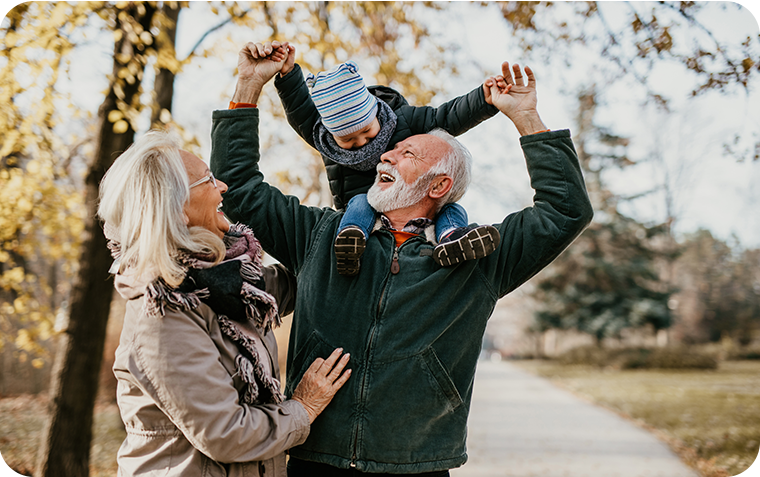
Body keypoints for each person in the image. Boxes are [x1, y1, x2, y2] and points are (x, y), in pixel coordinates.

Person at [211, 41, 594, 476]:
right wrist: (248, 85)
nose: (384, 154)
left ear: (438, 186)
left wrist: (526, 118)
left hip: (418, 464)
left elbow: (566, 211)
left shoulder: (478, 257)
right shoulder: (320, 235)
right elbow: (239, 189)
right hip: (315, 456)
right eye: (392, 150)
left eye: (407, 153)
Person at [97, 130, 352, 477]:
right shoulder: (163, 311)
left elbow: (296, 279)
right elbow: (227, 433)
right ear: (177, 209)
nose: (222, 188)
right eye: (207, 180)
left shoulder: (220, 284)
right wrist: (303, 408)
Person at [273, 48, 503, 275]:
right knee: (359, 202)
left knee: (450, 208)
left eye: (366, 131)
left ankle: (452, 238)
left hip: (410, 211)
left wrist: (484, 100)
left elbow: (446, 117)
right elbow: (300, 111)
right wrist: (288, 75)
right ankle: (350, 240)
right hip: (363, 215)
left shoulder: (402, 119)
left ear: (374, 111)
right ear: (331, 135)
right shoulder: (327, 143)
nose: (361, 141)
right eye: (348, 139)